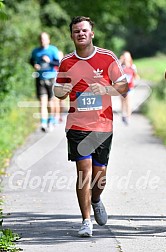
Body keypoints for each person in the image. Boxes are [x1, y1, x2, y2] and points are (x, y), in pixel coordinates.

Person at [54, 16, 128, 237]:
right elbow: (58, 90)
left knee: (100, 174)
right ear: (72, 35)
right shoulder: (67, 62)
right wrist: (62, 91)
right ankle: (86, 221)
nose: (81, 34)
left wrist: (105, 90)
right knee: (83, 172)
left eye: (84, 30)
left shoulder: (107, 58)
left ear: (92, 34)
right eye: (76, 31)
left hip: (103, 125)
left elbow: (123, 86)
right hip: (77, 124)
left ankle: (96, 199)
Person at [30, 32, 60, 132]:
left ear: (48, 40)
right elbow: (31, 60)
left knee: (51, 102)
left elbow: (58, 63)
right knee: (42, 102)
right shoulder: (35, 51)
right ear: (39, 40)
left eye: (44, 39)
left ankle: (50, 121)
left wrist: (49, 62)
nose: (42, 41)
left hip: (51, 77)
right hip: (40, 78)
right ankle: (43, 123)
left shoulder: (53, 50)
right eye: (41, 39)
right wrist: (35, 65)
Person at [119, 51, 140, 125]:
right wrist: (120, 61)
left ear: (130, 58)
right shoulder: (121, 66)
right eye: (124, 56)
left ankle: (128, 117)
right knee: (123, 101)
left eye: (127, 57)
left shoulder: (132, 66)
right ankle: (123, 114)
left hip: (130, 87)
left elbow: (135, 75)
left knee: (128, 101)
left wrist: (137, 78)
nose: (126, 58)